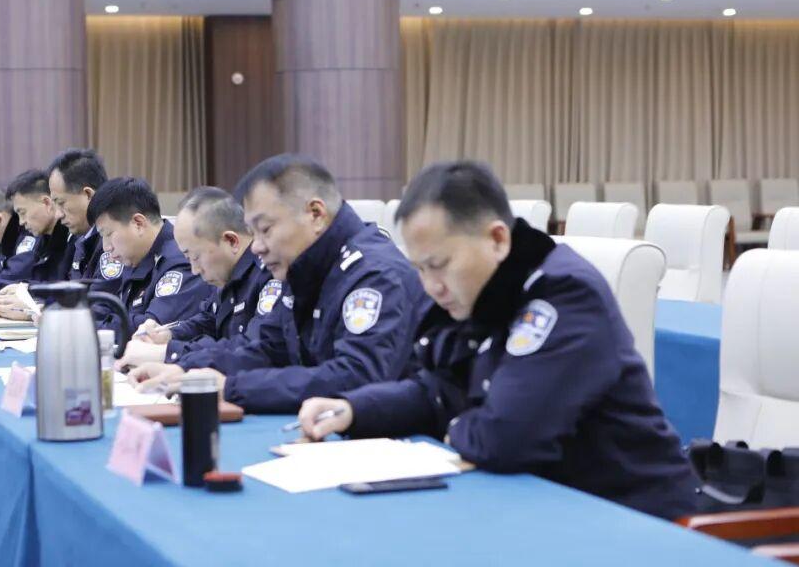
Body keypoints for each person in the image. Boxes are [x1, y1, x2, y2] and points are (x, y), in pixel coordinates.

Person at [296, 161, 700, 520]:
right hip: (543, 507)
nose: (431, 286)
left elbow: (505, 438)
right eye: (420, 269)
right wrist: (354, 409)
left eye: (440, 265)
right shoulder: (476, 294)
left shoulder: (563, 295)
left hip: (631, 518)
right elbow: (436, 390)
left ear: (498, 239)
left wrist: (453, 425)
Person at [130, 154, 430, 414]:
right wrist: (185, 369)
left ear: (315, 214)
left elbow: (356, 376)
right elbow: (264, 346)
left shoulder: (373, 273)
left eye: (265, 230)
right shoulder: (304, 267)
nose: (257, 247)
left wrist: (232, 387)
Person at [115, 186, 279, 369]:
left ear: (231, 241)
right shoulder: (227, 272)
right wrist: (168, 334)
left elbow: (253, 349)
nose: (194, 270)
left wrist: (167, 353)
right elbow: (208, 320)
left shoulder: (271, 274)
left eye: (195, 257)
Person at [87, 177, 212, 346]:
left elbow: (150, 331)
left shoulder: (182, 260)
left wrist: (88, 326)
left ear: (138, 223)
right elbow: (100, 306)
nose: (106, 247)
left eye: (108, 234)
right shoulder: (133, 255)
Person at [46, 148, 124, 312]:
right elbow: (64, 290)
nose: (58, 214)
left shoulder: (114, 240)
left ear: (88, 194)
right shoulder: (79, 236)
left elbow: (101, 309)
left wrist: (46, 311)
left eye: (61, 203)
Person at [0, 170, 73, 319]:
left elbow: (71, 295)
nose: (21, 222)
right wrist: (24, 289)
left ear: (46, 203)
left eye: (23, 212)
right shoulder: (44, 239)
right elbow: (44, 282)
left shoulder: (72, 238)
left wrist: (33, 306)